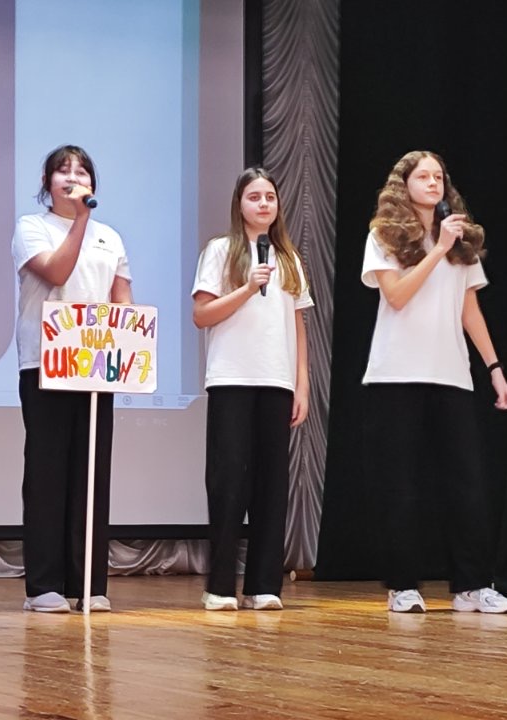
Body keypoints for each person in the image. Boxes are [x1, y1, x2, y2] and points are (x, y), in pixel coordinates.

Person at [360, 150, 507, 614]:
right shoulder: (384, 235)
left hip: (451, 373)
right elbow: (397, 295)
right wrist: (437, 249)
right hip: (396, 373)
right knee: (401, 484)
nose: (433, 183)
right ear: (404, 184)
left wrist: (494, 368)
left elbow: (470, 309)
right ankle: (402, 586)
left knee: (466, 483)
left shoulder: (459, 240)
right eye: (423, 176)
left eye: (439, 177)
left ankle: (472, 585)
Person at [11, 145, 133, 613]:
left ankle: (87, 583)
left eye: (81, 171)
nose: (73, 177)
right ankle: (43, 585)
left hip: (95, 365)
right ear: (47, 183)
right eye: (63, 171)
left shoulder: (111, 237)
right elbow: (57, 271)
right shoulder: (32, 227)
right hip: (45, 362)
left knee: (91, 472)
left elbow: (122, 300)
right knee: (47, 473)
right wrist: (81, 219)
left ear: (93, 184)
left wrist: (126, 344)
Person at [190, 168, 313, 612]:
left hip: (276, 380)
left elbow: (298, 325)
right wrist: (247, 287)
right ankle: (220, 586)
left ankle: (264, 585)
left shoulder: (289, 258)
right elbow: (202, 315)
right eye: (254, 197)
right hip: (231, 379)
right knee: (228, 482)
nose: (263, 204)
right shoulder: (221, 250)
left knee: (271, 486)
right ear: (239, 204)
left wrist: (302, 383)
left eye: (270, 197)